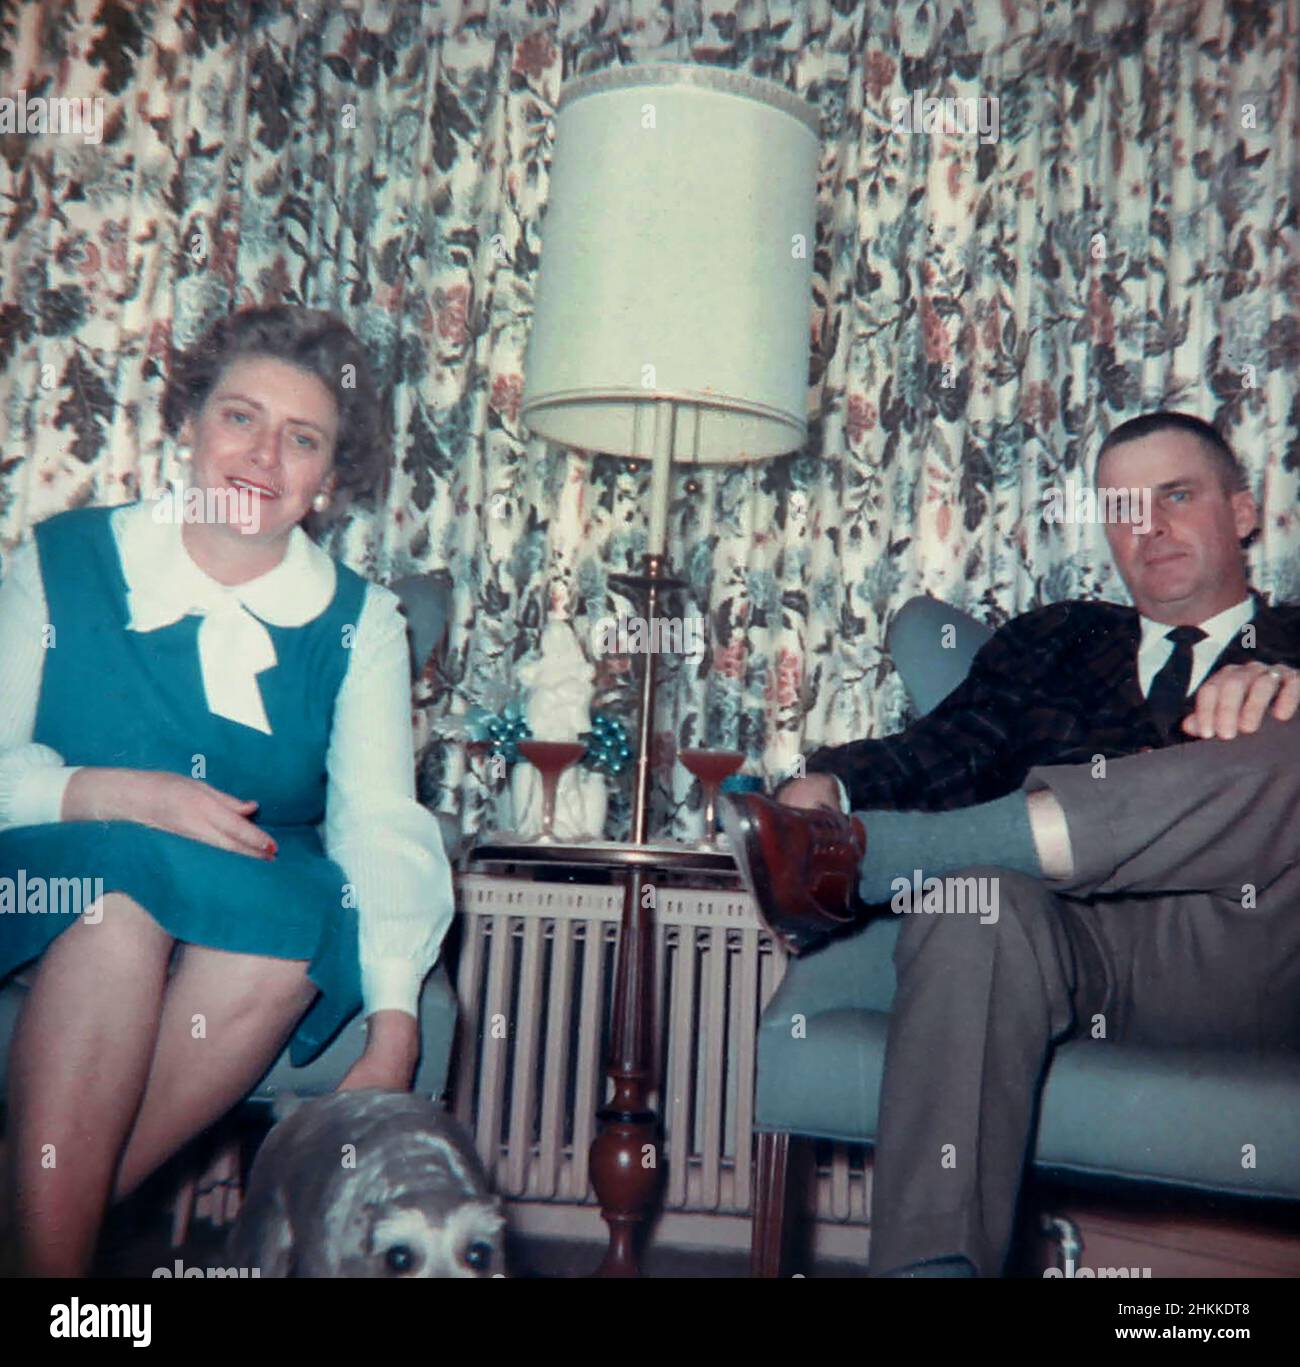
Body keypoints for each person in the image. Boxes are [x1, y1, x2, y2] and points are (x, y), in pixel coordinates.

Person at [723, 411, 1300, 1277]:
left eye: (1176, 496)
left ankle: (868, 857)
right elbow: (940, 747)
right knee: (976, 901)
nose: (1149, 527)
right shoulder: (1058, 639)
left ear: (1245, 511)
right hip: (1070, 954)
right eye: (1123, 506)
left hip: (1245, 957)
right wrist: (825, 790)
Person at [0, 305, 454, 1277]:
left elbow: (378, 820)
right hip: (54, 870)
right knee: (117, 905)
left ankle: (37, 1233)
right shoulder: (64, 558)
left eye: (303, 439)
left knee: (293, 929)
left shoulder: (361, 620)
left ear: (330, 480)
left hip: (241, 894)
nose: (262, 456)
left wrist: (394, 1030)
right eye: (239, 418)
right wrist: (124, 794)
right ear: (189, 423)